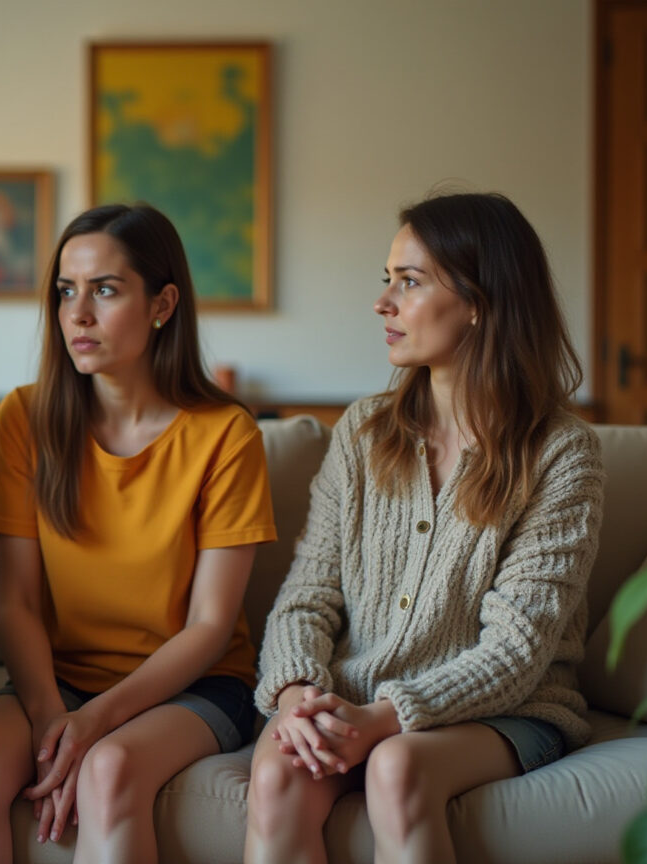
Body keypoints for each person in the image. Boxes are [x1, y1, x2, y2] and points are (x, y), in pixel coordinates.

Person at [244, 192, 605, 864]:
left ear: (479, 300)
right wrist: (297, 695)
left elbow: (517, 652)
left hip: (507, 709)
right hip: (350, 696)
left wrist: (385, 720)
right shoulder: (363, 431)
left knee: (397, 769)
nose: (384, 303)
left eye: (408, 282)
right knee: (276, 775)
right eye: (387, 281)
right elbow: (306, 595)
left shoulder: (561, 453)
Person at [0, 203, 277, 864]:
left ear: (163, 303)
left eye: (106, 290)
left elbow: (209, 626)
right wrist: (50, 722)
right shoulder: (25, 417)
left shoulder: (226, 433)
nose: (78, 315)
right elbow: (18, 603)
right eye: (66, 291)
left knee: (109, 769)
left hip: (196, 686)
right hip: (59, 681)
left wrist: (94, 725)